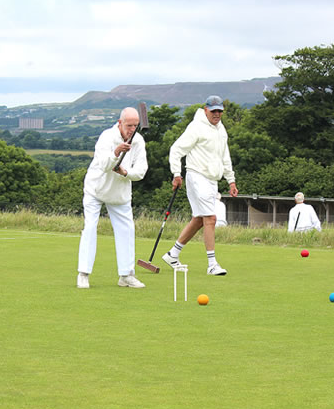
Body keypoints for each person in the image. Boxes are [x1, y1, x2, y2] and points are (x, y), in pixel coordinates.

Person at [161, 95, 238, 275]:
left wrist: (231, 180)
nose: (217, 114)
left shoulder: (221, 129)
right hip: (196, 176)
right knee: (210, 218)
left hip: (212, 179)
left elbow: (225, 156)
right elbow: (176, 150)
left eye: (220, 111)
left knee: (199, 219)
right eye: (214, 111)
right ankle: (212, 264)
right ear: (206, 110)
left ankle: (173, 254)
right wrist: (176, 174)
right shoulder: (196, 127)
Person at [77, 107, 148, 289]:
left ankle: (126, 275)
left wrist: (126, 172)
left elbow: (141, 171)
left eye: (135, 125)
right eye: (128, 125)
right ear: (120, 123)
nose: (132, 129)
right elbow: (103, 164)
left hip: (120, 193)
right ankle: (83, 274)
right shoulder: (107, 137)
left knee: (127, 230)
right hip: (96, 188)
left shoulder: (138, 141)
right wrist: (115, 152)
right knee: (90, 227)